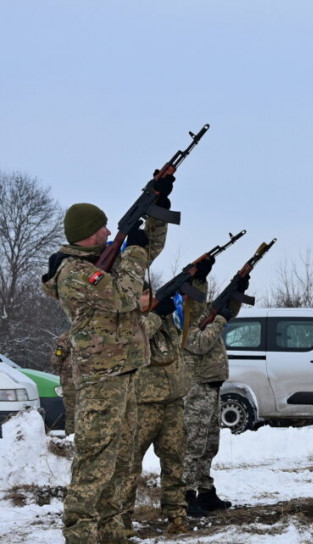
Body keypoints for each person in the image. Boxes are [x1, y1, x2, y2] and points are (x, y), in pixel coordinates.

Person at [41, 184, 171, 543]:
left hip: (124, 372)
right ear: (87, 234)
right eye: (101, 228)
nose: (108, 232)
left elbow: (146, 250)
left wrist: (157, 215)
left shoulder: (100, 260)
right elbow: (126, 296)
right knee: (95, 462)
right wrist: (135, 251)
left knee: (122, 462)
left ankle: (113, 532)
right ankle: (80, 534)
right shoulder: (75, 273)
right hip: (101, 378)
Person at [119, 273, 211, 537]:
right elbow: (136, 339)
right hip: (141, 404)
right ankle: (122, 522)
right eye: (142, 294)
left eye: (149, 293)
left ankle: (176, 517)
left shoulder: (167, 317)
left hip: (172, 403)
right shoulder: (128, 320)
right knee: (129, 466)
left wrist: (199, 281)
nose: (146, 298)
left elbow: (196, 316)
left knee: (174, 463)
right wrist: (157, 314)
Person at [182, 267, 247, 513]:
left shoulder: (202, 312)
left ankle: (205, 491)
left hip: (211, 387)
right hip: (196, 387)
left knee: (209, 444)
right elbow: (199, 343)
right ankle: (185, 495)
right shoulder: (182, 316)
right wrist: (219, 319)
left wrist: (238, 291)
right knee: (193, 444)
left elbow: (226, 311)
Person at [50, 331, 76, 435]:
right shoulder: (94, 332)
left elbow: (56, 359)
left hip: (71, 380)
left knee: (72, 413)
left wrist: (61, 370)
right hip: (92, 381)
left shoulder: (67, 337)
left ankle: (71, 440)